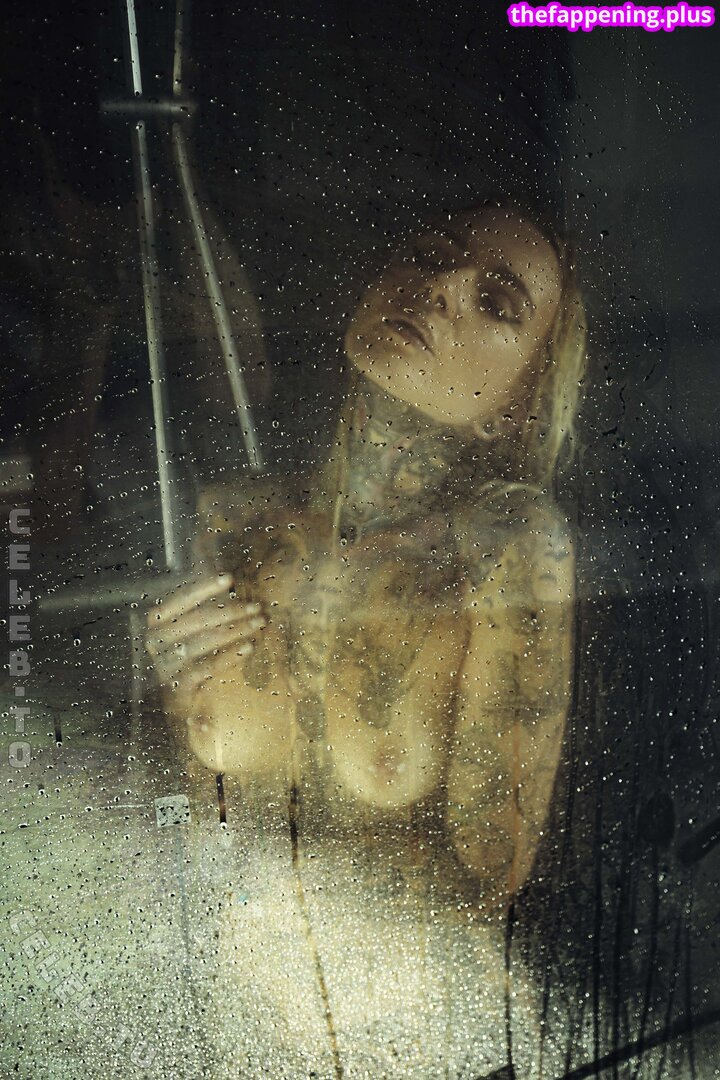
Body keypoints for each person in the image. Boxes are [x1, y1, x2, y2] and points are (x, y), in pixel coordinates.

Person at [146, 196, 586, 909]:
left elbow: (492, 873)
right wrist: (169, 689)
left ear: (515, 407)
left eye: (495, 302)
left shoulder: (506, 551)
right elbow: (186, 815)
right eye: (430, 255)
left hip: (390, 960)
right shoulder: (235, 518)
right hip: (212, 939)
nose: (440, 285)